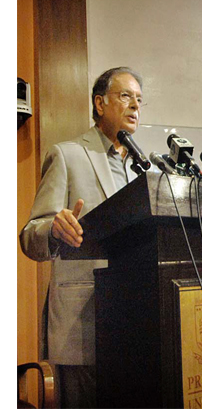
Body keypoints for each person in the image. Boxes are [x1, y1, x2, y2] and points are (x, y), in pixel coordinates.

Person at [20, 67, 144, 408]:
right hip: (82, 325)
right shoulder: (68, 155)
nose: (135, 105)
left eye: (139, 99)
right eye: (125, 96)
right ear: (100, 103)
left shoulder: (144, 168)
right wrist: (54, 230)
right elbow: (31, 236)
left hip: (135, 321)